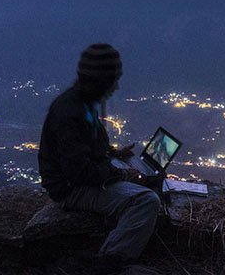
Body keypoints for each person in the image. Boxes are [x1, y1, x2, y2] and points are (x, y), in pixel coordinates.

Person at [38, 43, 161, 267]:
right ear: (100, 80)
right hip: (69, 188)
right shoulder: (71, 112)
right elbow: (78, 172)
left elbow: (85, 148)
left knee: (139, 174)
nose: (115, 87)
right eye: (112, 80)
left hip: (81, 176)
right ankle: (109, 262)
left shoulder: (83, 103)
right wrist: (121, 175)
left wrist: (113, 153)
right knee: (146, 200)